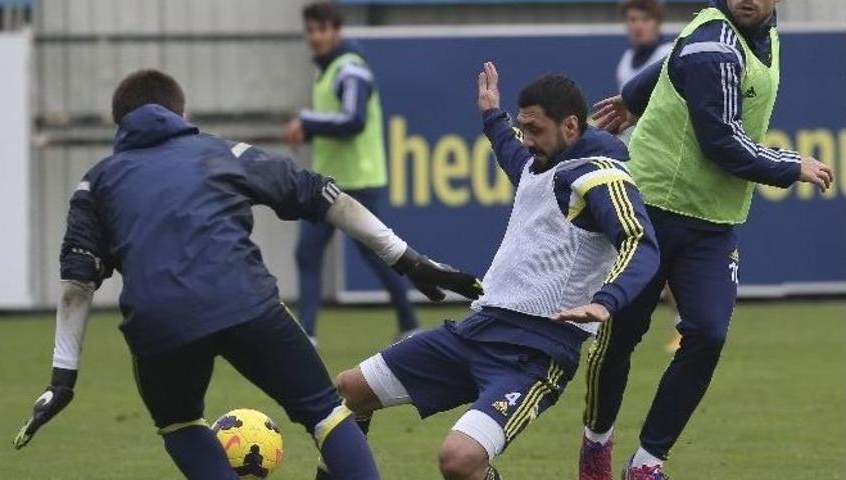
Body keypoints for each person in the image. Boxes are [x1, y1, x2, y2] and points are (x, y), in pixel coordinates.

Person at [12, 69, 483, 480]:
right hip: (244, 300)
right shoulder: (223, 152)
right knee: (325, 413)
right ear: (181, 112)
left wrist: (62, 378)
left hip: (159, 324)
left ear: (119, 123)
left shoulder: (96, 182)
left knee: (180, 424)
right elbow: (324, 195)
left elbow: (78, 282)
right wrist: (408, 259)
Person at [330, 62, 660, 480]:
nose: (527, 139)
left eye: (535, 130)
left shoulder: (601, 176)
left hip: (534, 354)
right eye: (523, 128)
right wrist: (492, 114)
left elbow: (640, 241)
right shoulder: (538, 165)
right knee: (349, 391)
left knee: (458, 459)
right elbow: (510, 150)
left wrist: (607, 301)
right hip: (476, 331)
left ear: (571, 126)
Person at [579, 1, 834, 479]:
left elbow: (673, 55)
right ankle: (596, 442)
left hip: (712, 222)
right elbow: (722, 143)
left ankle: (646, 463)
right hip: (653, 208)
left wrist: (633, 95)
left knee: (708, 332)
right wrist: (790, 165)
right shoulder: (715, 45)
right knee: (620, 336)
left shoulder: (759, 32)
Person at [285, 1, 419, 346]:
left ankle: (409, 323)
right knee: (308, 253)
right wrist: (310, 130)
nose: (315, 37)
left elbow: (352, 120)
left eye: (321, 29)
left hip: (358, 181)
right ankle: (308, 335)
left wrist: (307, 122)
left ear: (336, 31)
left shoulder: (349, 69)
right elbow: (339, 122)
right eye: (310, 30)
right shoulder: (328, 69)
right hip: (328, 181)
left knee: (375, 254)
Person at [617, 0, 682, 354]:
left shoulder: (668, 56)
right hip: (632, 166)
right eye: (631, 19)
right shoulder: (626, 61)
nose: (637, 25)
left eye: (643, 19)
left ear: (657, 23)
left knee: (663, 251)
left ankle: (684, 324)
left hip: (662, 167)